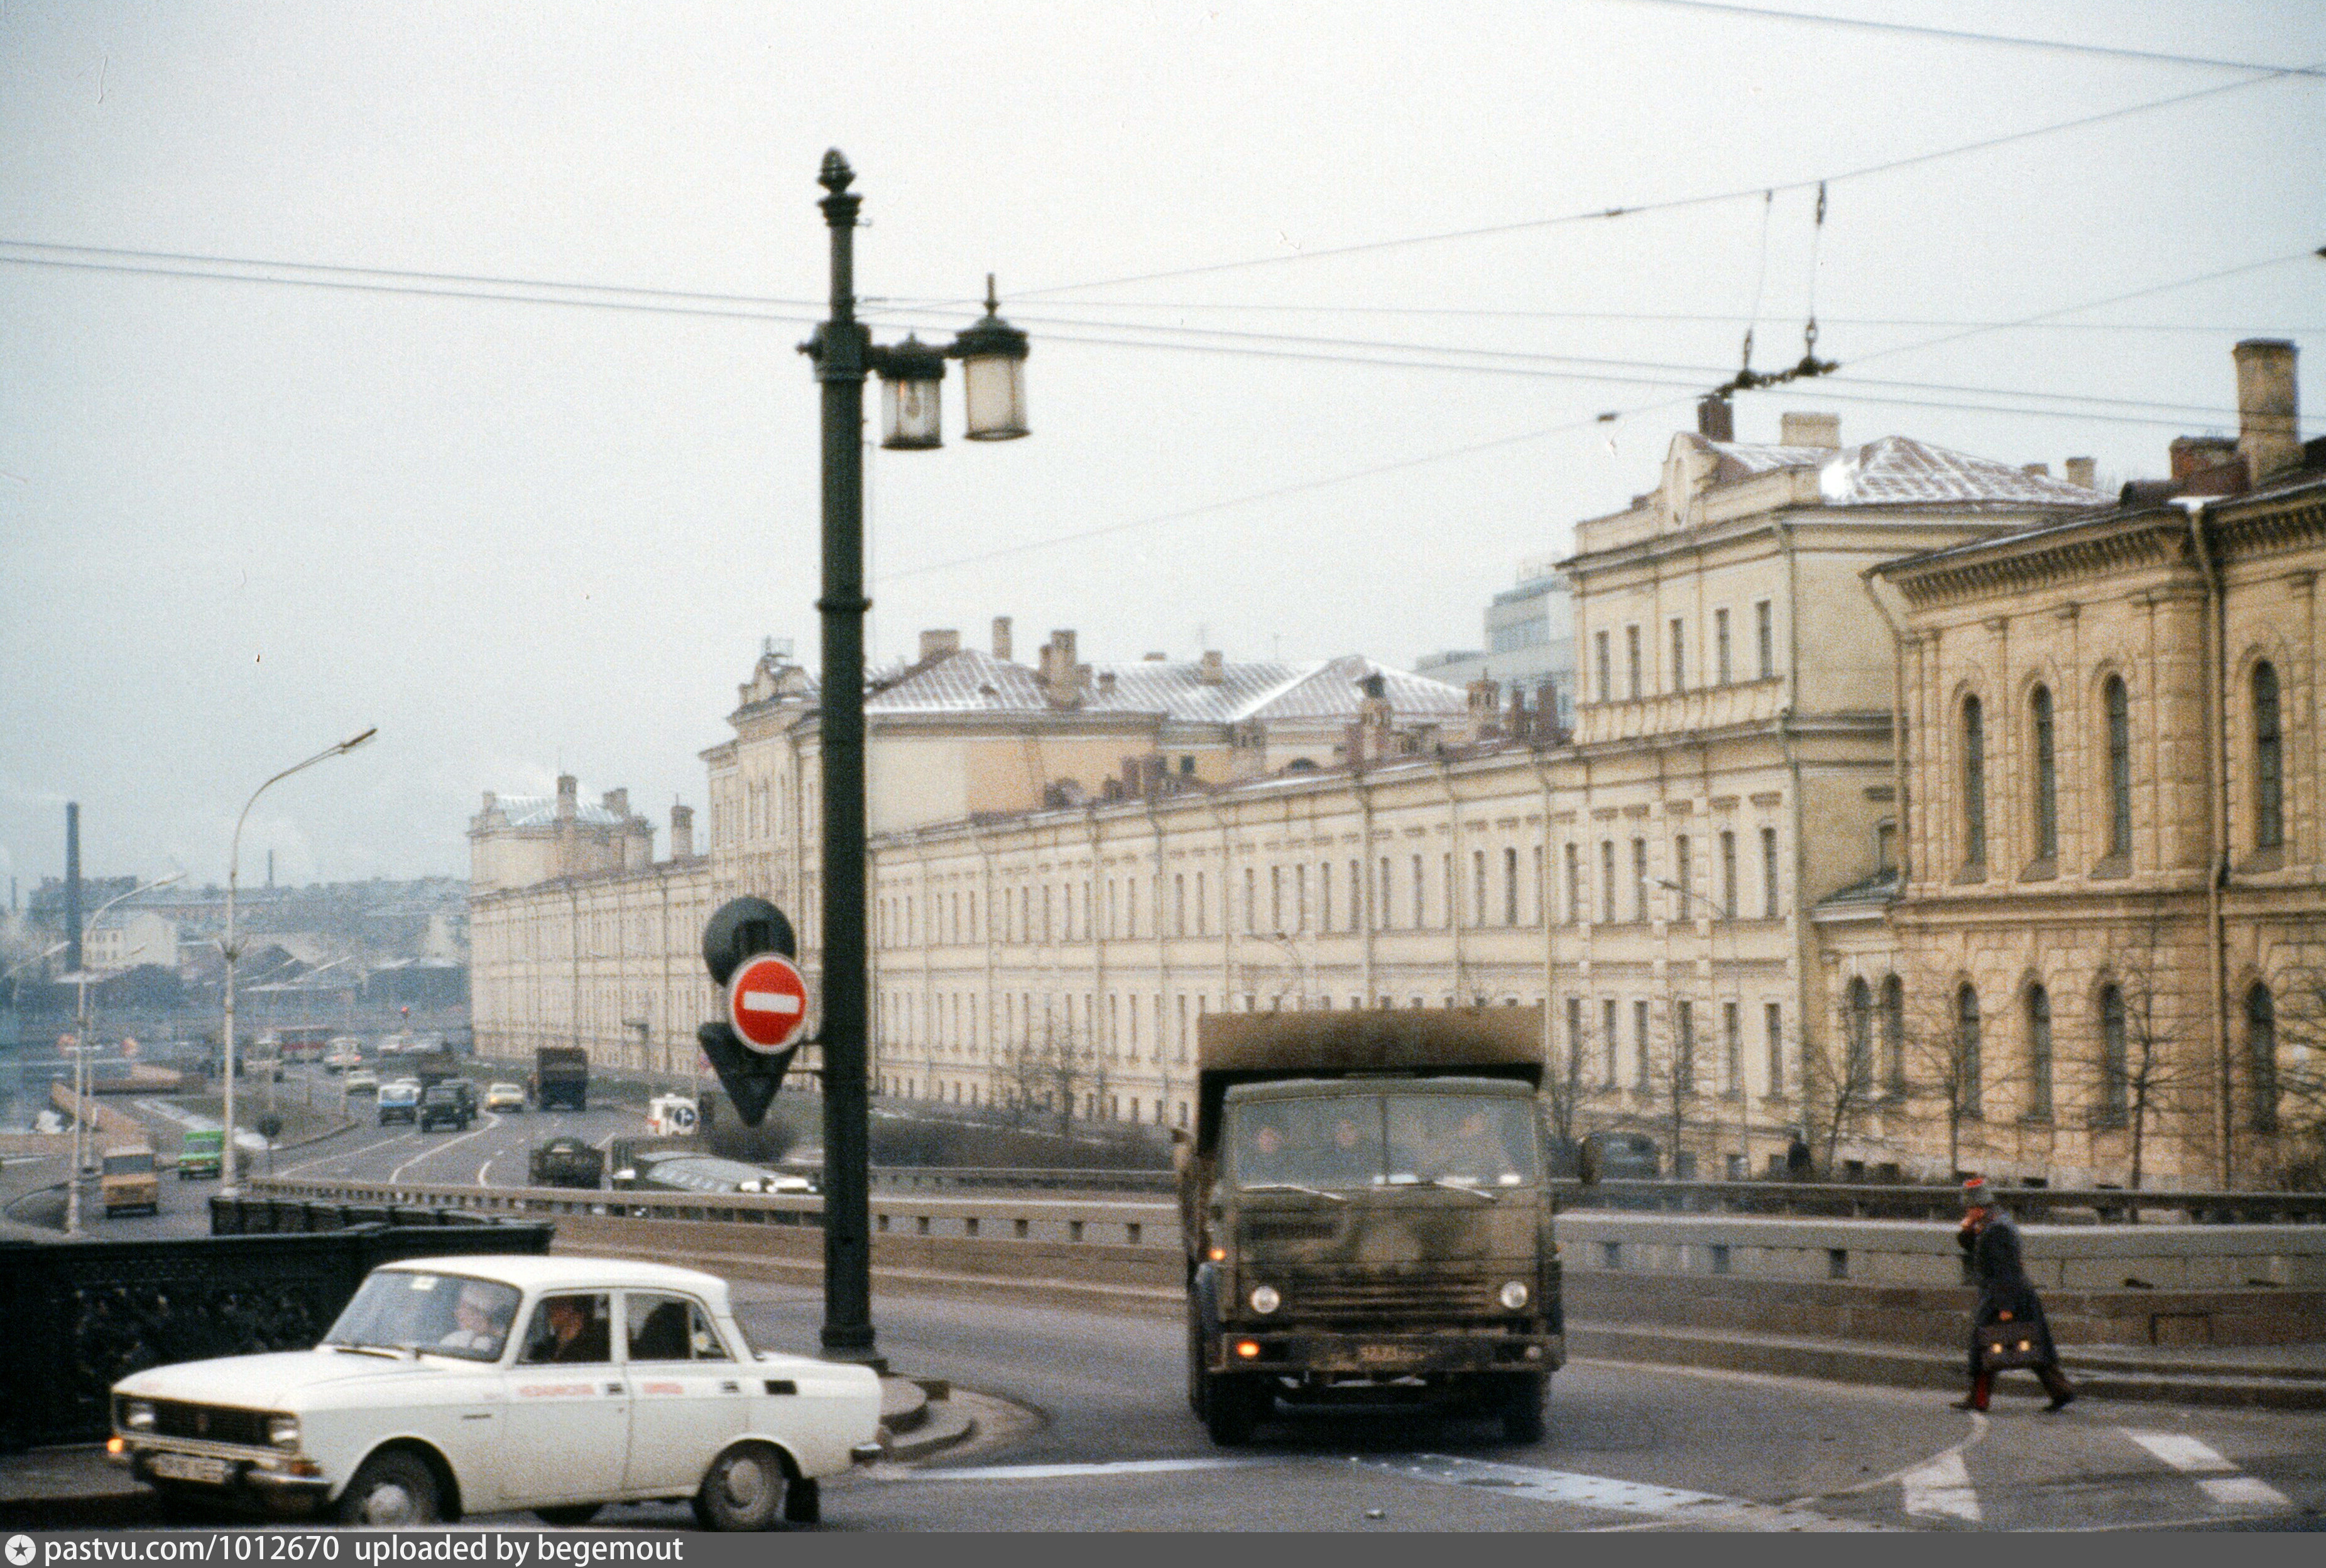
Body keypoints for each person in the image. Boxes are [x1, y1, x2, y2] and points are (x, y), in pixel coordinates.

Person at [1953, 1176, 2075, 1412]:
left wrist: (2005, 1307)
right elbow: (1975, 1250)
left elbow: (2005, 1271)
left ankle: (1978, 1400)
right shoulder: (1994, 1224)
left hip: (2007, 1296)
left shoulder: (1996, 1231)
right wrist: (1966, 1230)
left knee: (1986, 1344)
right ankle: (2062, 1391)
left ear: (1979, 1208)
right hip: (2013, 1295)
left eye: (1969, 1208)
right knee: (2030, 1345)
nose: (1967, 1212)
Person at [437, 1283, 510, 1355]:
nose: (456, 1313)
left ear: (480, 1314)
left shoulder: (457, 1341)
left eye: (462, 1306)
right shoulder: (454, 1340)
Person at [538, 1295, 611, 1364]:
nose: (552, 1310)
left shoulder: (592, 1347)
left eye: (561, 1305)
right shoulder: (548, 1345)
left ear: (578, 1314)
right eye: (551, 1305)